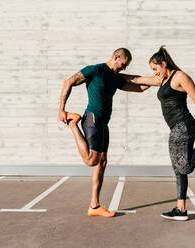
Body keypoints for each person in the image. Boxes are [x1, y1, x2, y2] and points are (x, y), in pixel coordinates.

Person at [128, 46, 195, 221]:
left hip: (183, 124)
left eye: (155, 69)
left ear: (163, 64)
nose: (154, 73)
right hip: (176, 127)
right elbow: (138, 80)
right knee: (178, 169)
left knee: (184, 167)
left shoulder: (180, 77)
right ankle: (181, 209)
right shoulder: (163, 79)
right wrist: (112, 75)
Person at [58, 48, 150, 218]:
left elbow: (140, 88)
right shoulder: (96, 70)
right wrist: (62, 109)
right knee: (91, 161)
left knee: (102, 163)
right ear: (116, 57)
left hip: (104, 123)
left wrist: (159, 80)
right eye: (123, 65)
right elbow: (68, 81)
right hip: (92, 117)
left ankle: (94, 206)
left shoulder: (114, 78)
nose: (123, 69)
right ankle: (72, 123)